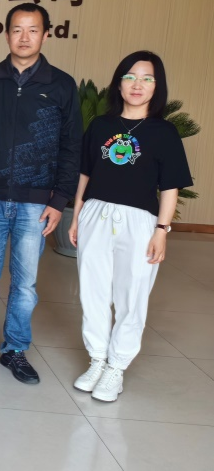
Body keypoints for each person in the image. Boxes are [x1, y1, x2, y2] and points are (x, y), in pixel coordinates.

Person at [0, 3, 82, 384]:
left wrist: (59, 199)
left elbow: (71, 146)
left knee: (25, 283)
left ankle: (15, 349)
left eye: (33, 30)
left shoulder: (61, 85)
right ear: (7, 34)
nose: (24, 37)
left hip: (36, 202)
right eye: (17, 29)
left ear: (46, 34)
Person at [69, 51, 191, 402]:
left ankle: (116, 368)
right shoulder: (101, 126)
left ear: (157, 86)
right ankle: (97, 360)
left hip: (140, 222)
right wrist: (77, 215)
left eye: (147, 78)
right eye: (130, 77)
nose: (138, 85)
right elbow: (85, 173)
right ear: (119, 83)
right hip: (96, 213)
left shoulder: (165, 132)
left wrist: (161, 230)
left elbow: (170, 186)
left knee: (131, 295)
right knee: (92, 291)